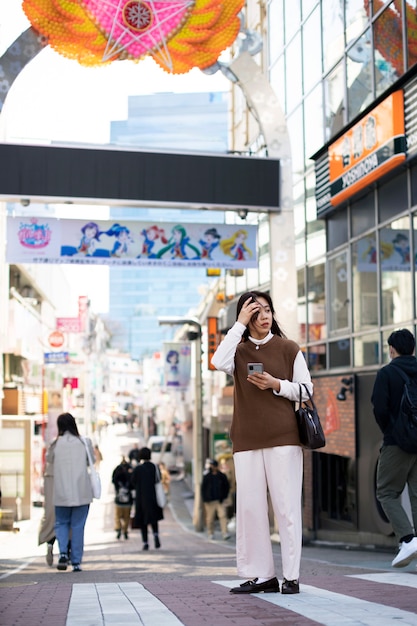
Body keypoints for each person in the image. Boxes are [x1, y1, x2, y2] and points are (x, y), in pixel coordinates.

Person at [211, 291, 313, 595]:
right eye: (255, 312)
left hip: (284, 438)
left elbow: (306, 390)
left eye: (266, 310)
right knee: (251, 509)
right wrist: (239, 324)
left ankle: (291, 576)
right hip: (246, 440)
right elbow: (217, 361)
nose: (264, 316)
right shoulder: (238, 352)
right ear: (245, 318)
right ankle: (262, 575)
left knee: (286, 507)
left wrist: (276, 385)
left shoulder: (288, 348)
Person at [371, 328, 417, 567]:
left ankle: (408, 539)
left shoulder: (387, 373)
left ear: (392, 349)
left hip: (397, 443)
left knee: (386, 492)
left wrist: (391, 431)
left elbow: (379, 408)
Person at [46, 412, 93, 572]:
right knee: (78, 526)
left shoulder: (55, 444)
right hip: (82, 491)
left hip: (61, 492)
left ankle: (63, 553)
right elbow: (91, 460)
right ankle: (77, 561)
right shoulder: (85, 442)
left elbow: (49, 460)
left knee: (61, 523)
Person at [131, 447, 163, 550]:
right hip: (153, 497)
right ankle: (156, 535)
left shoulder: (138, 468)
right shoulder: (154, 467)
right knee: (154, 519)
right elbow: (159, 479)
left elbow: (132, 482)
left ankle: (145, 543)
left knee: (143, 521)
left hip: (141, 498)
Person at [201, 459, 230, 540]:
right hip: (209, 501)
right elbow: (203, 488)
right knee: (210, 518)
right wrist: (205, 499)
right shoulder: (207, 476)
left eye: (212, 465)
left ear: (216, 466)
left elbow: (226, 486)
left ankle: (225, 533)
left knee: (223, 516)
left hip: (219, 500)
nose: (211, 467)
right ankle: (210, 533)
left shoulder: (222, 476)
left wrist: (224, 496)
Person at [112, 456, 133, 540]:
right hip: (128, 499)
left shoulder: (117, 470)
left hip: (119, 499)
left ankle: (118, 528)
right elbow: (133, 484)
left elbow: (113, 480)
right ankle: (125, 530)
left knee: (117, 516)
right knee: (127, 517)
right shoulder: (130, 471)